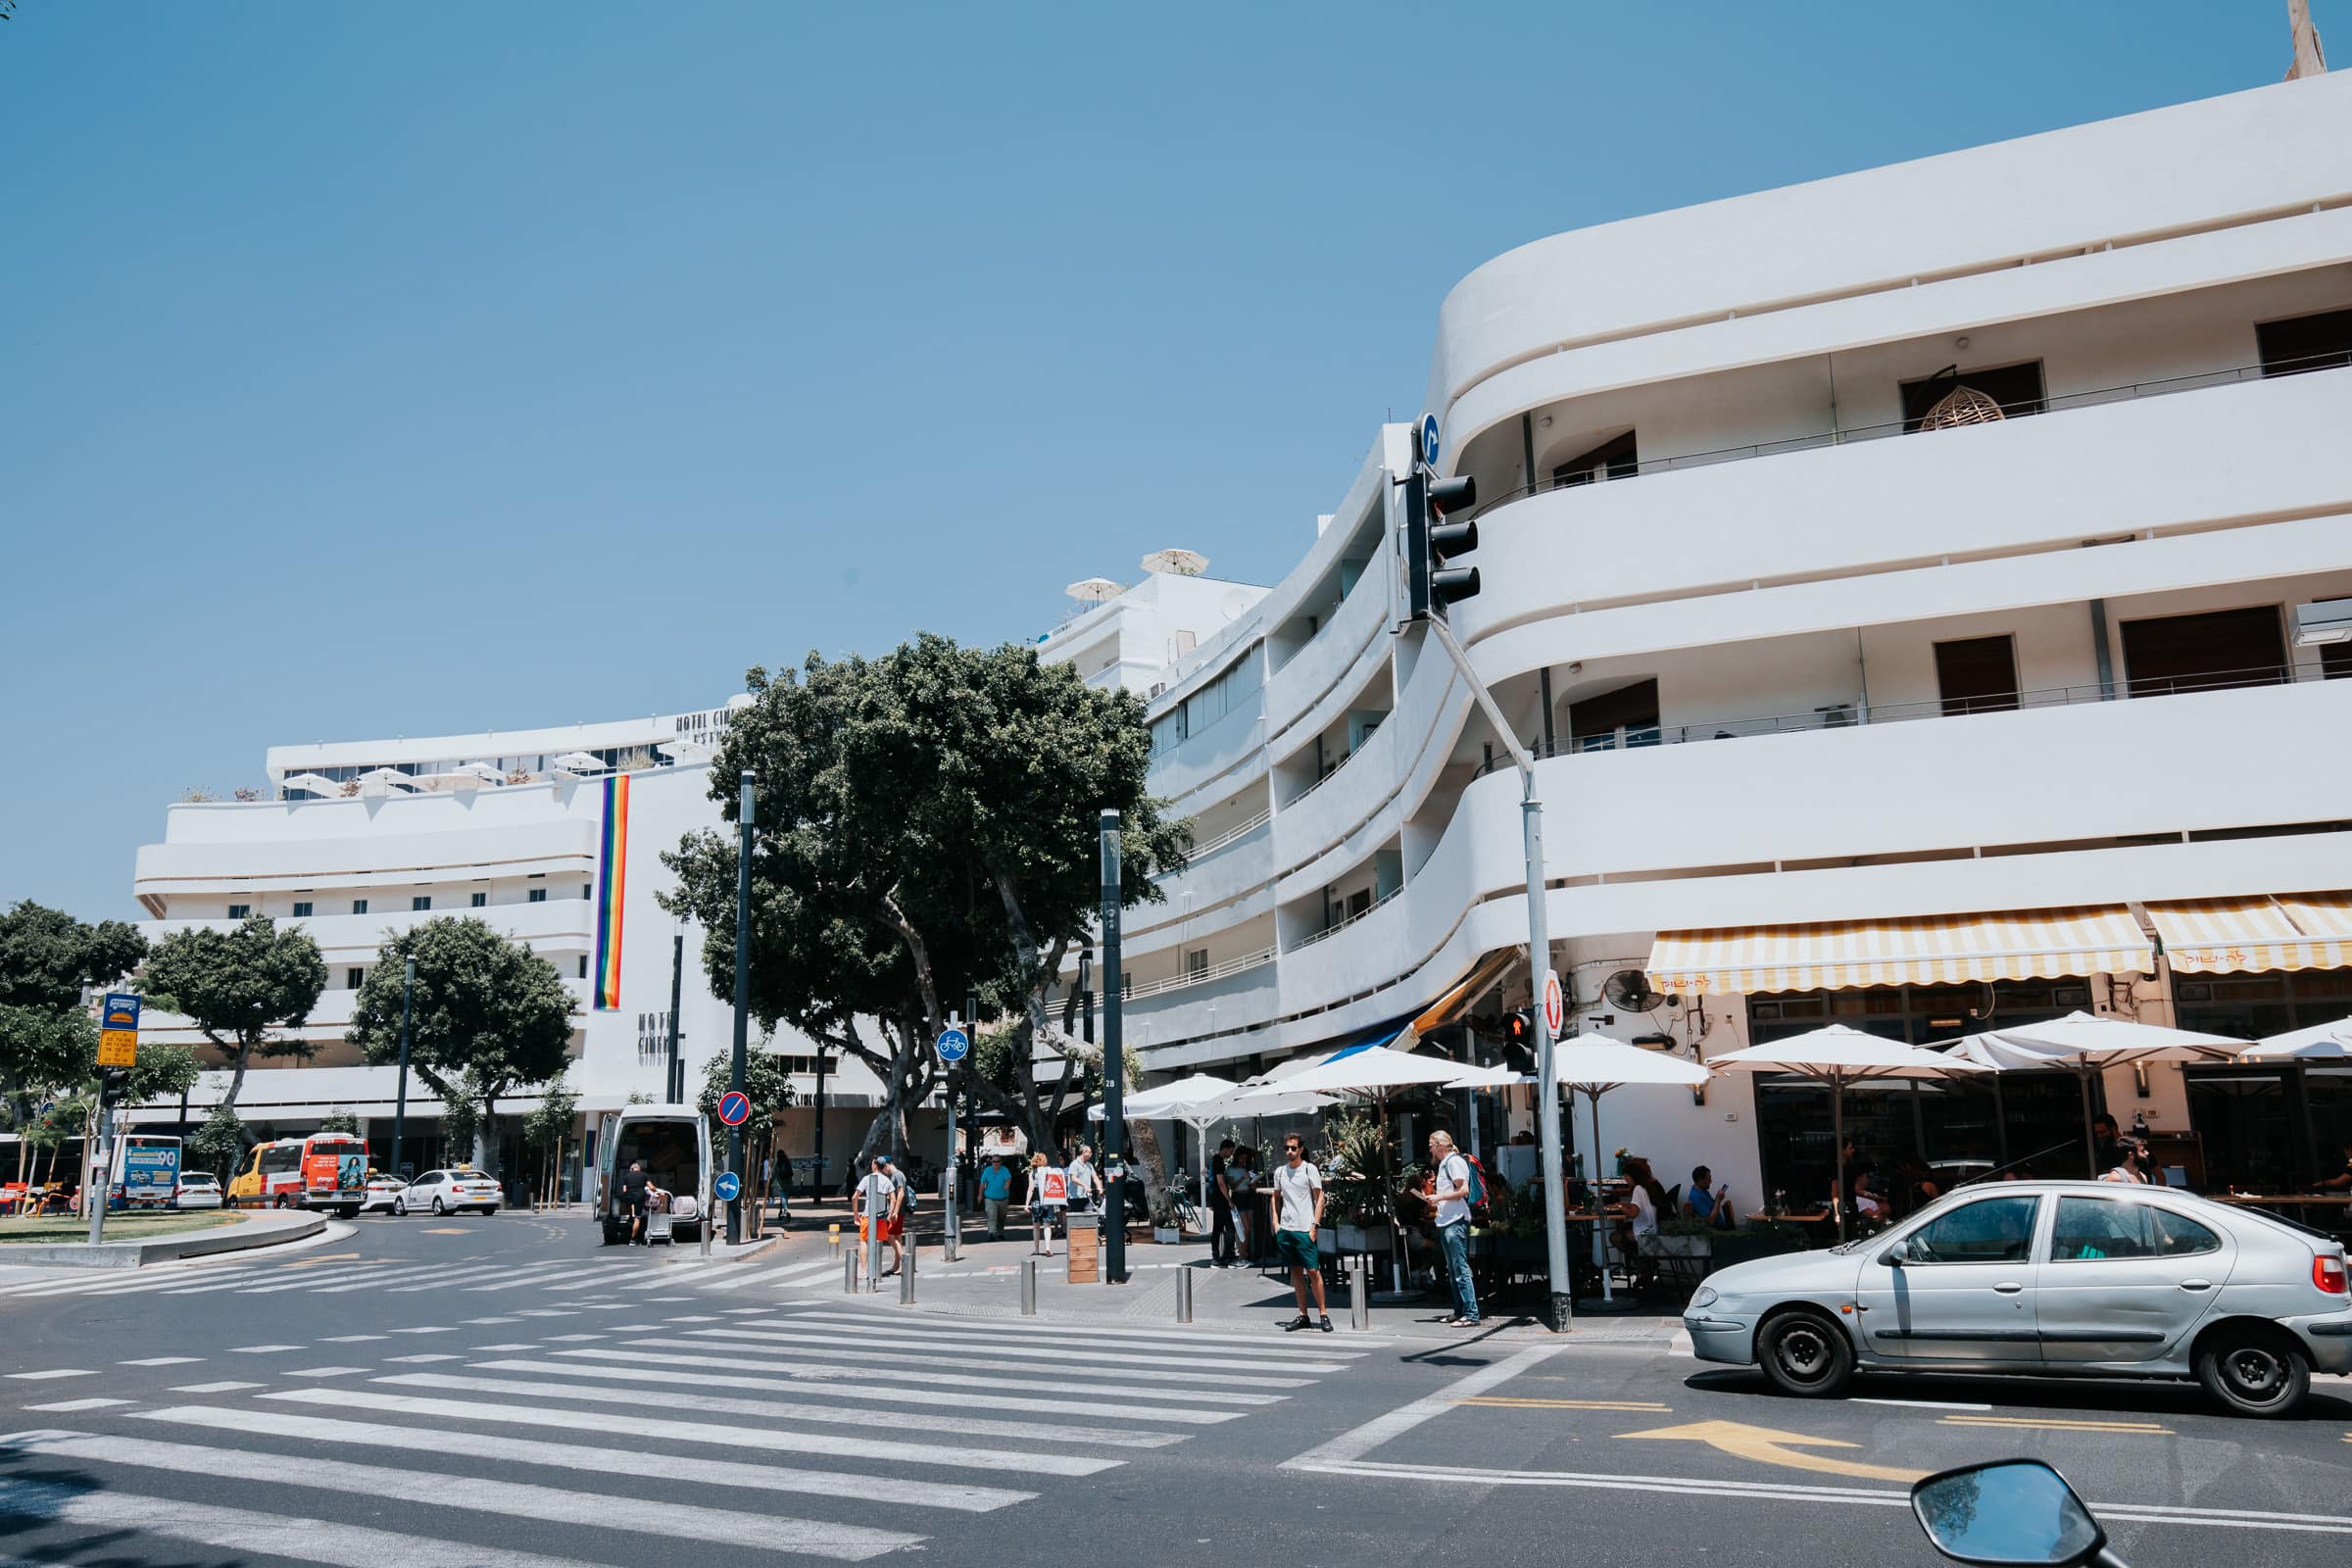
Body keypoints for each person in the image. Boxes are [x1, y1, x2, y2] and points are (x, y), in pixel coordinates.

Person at [1272, 1134, 1332, 1332]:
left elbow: (1319, 1198)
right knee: (1295, 1271)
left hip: (1305, 1228)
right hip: (1287, 1228)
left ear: (1301, 1149)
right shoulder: (1280, 1172)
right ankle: (1302, 1314)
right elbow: (1275, 1197)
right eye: (1287, 1148)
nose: (1289, 1151)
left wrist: (1315, 1225)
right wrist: (1275, 1222)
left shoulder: (1309, 1169)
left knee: (1313, 1271)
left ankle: (1323, 1314)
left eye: (1293, 1148)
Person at [1427, 1131, 1479, 1328]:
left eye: (1431, 1144)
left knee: (1460, 1268)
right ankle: (1459, 1311)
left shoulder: (1453, 1162)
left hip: (1455, 1220)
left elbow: (1463, 1190)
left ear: (1441, 1145)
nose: (1430, 1149)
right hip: (1447, 1220)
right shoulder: (1446, 1163)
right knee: (1453, 1268)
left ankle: (1471, 1313)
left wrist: (1439, 1198)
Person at [852, 1154, 901, 1281]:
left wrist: (856, 1213)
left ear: (874, 1165)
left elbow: (854, 1196)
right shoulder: (886, 1180)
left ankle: (864, 1271)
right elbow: (893, 1199)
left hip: (868, 1215)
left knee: (864, 1241)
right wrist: (890, 1215)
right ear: (884, 1166)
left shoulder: (867, 1179)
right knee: (879, 1241)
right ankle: (877, 1270)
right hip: (882, 1216)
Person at [1024, 1152, 1066, 1256]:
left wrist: (1026, 1204)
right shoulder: (1049, 1171)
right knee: (1047, 1225)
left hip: (1036, 1202)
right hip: (1047, 1200)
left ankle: (1037, 1249)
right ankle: (1048, 1247)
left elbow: (1031, 1189)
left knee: (1036, 1226)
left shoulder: (1033, 1173)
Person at [1207, 1138, 1239, 1267]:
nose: (1231, 1154)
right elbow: (1220, 1182)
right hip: (1220, 1199)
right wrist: (1229, 1199)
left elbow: (1207, 1173)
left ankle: (1218, 1255)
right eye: (1230, 1151)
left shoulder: (1213, 1159)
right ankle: (1227, 1255)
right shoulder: (1219, 1161)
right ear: (1225, 1149)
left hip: (1215, 1198)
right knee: (1229, 1228)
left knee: (1218, 1228)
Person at [980, 1153, 1013, 1240]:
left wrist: (1007, 1185)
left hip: (1003, 1199)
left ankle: (1000, 1232)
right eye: (993, 1161)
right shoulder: (987, 1170)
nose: (995, 1163)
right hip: (990, 1198)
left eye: (997, 1161)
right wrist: (979, 1195)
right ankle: (991, 1233)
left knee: (1001, 1217)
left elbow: (1008, 1178)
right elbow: (982, 1183)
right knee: (992, 1215)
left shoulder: (1004, 1170)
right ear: (991, 1162)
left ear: (1001, 1162)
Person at [618, 1159, 651, 1246]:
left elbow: (624, 1190)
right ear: (639, 1169)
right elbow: (650, 1186)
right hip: (638, 1197)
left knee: (631, 1213)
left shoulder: (627, 1176)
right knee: (637, 1218)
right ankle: (633, 1240)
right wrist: (658, 1192)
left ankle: (630, 1219)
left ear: (631, 1169)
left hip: (629, 1197)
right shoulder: (644, 1175)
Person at [1066, 1144, 1102, 1216]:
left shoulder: (1089, 1165)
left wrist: (1099, 1187)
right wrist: (1084, 1185)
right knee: (1076, 1219)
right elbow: (1073, 1178)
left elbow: (1095, 1177)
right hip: (1075, 1197)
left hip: (1086, 1196)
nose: (1091, 1154)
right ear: (1084, 1152)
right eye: (1090, 1152)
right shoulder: (1074, 1164)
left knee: (1087, 1218)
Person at [2090, 1113, 2124, 1178]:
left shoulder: (2129, 1147)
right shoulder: (2105, 1149)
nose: (2099, 1136)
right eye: (2097, 1133)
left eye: (2102, 1132)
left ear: (2113, 1129)